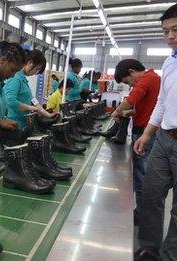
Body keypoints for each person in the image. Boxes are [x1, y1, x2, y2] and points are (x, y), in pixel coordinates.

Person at [134, 4, 177, 260]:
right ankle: (149, 248)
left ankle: (170, 255)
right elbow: (162, 102)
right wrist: (147, 134)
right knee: (150, 195)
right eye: (166, 31)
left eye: (176, 30)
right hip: (163, 138)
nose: (170, 36)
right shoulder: (169, 62)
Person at [112, 59, 160, 227]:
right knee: (141, 175)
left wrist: (117, 112)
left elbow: (132, 98)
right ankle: (142, 213)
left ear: (132, 72)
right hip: (145, 130)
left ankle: (142, 216)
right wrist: (132, 113)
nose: (129, 85)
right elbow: (148, 105)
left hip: (146, 134)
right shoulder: (153, 78)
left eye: (127, 81)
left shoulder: (148, 78)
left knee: (142, 177)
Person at [5, 49, 58, 129]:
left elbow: (34, 101)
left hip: (23, 124)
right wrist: (30, 108)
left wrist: (48, 115)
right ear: (30, 62)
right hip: (14, 124)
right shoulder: (16, 78)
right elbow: (10, 101)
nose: (35, 73)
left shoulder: (23, 80)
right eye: (36, 69)